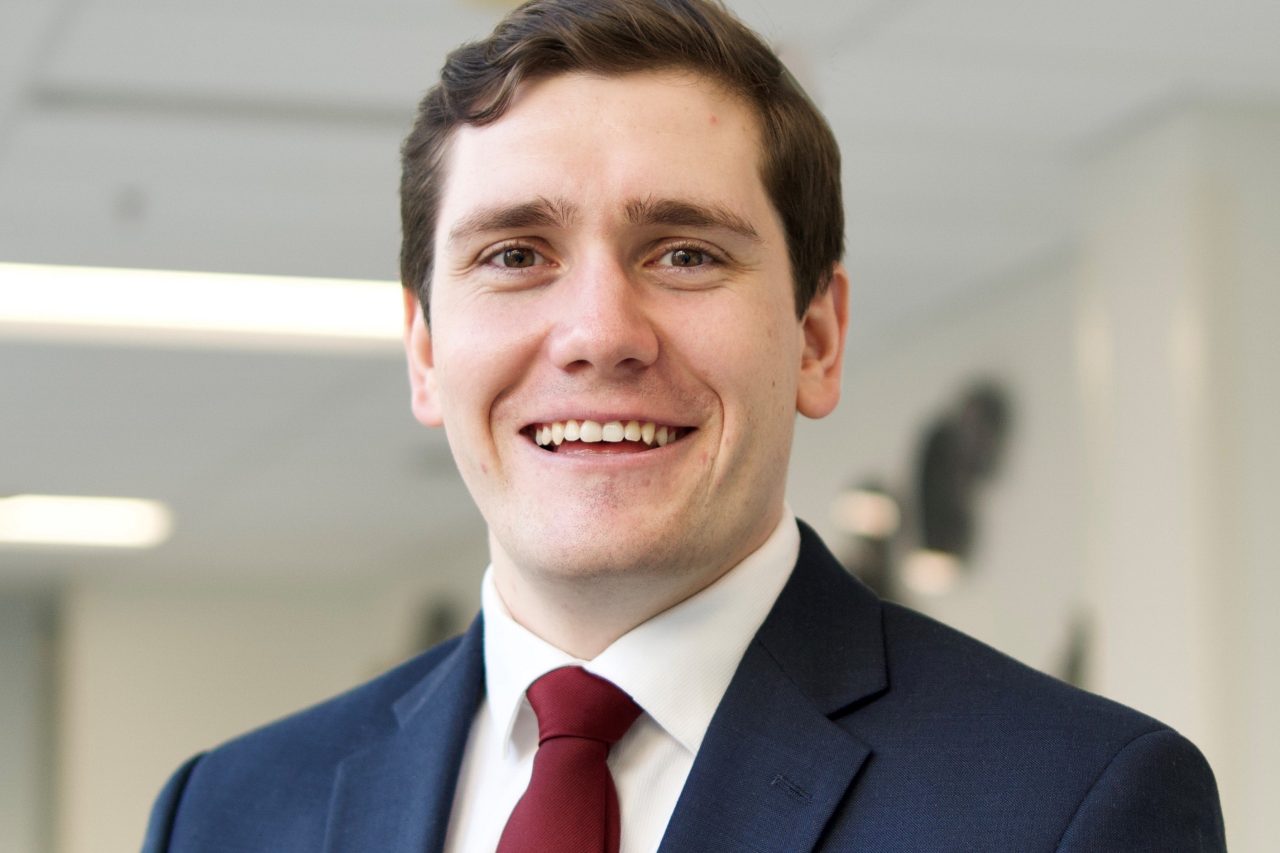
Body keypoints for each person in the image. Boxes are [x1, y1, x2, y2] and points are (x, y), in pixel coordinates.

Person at [143, 1, 1226, 850]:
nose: (598, 333)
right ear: (425, 350)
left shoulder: (1068, 807)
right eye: (514, 254)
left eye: (685, 253)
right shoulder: (228, 813)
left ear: (814, 338)